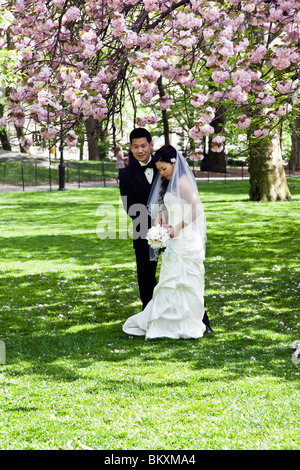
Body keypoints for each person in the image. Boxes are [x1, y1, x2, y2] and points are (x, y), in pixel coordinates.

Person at [122, 144, 213, 339]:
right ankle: (170, 321)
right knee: (171, 280)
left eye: (164, 168)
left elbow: (197, 209)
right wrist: (161, 217)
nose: (162, 173)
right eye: (159, 170)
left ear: (174, 163)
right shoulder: (170, 183)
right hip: (174, 238)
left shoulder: (183, 181)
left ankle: (188, 322)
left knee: (186, 280)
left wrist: (177, 227)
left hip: (186, 238)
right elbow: (172, 205)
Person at [119, 128, 158, 310]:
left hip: (173, 229)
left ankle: (200, 319)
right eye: (135, 147)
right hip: (143, 230)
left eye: (143, 145)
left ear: (151, 144)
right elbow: (130, 207)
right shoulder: (126, 174)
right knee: (146, 277)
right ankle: (149, 315)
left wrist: (165, 224)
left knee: (180, 272)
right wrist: (153, 227)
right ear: (131, 148)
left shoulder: (164, 165)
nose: (140, 150)